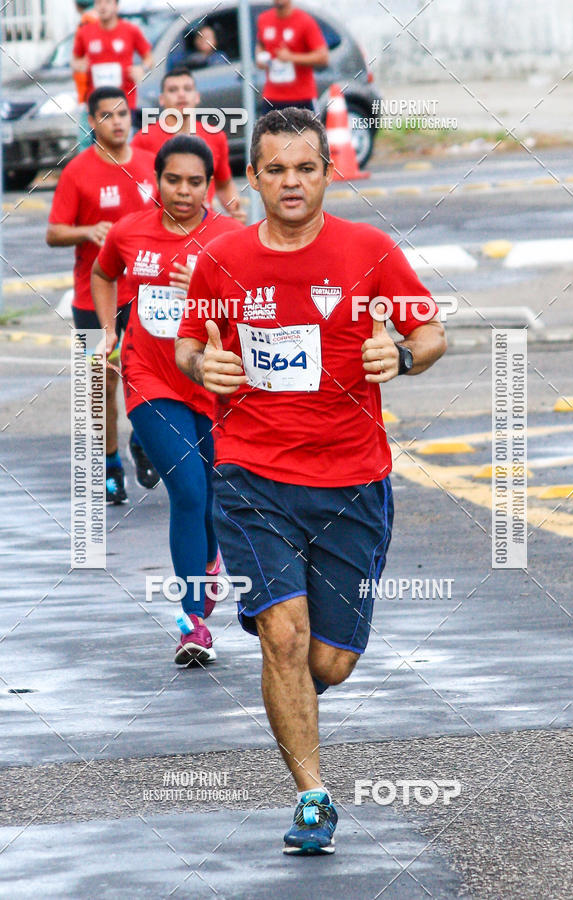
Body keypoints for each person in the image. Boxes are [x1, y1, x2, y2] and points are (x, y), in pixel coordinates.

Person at [176, 108, 447, 854]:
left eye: (305, 168)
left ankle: (284, 675)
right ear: (253, 177)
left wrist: (404, 354)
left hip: (353, 480)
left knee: (330, 660)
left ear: (328, 173)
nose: (291, 182)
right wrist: (204, 364)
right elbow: (186, 345)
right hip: (251, 473)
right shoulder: (221, 259)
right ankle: (312, 797)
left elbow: (431, 332)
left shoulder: (370, 249)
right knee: (286, 639)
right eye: (275, 169)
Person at [91, 135, 243, 662]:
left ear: (209, 185)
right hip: (149, 377)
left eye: (196, 182)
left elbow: (254, 305)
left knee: (211, 497)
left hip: (211, 381)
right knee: (187, 490)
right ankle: (193, 623)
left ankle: (207, 562)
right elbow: (102, 272)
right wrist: (109, 331)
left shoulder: (229, 236)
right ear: (155, 180)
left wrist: (204, 284)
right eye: (173, 179)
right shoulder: (130, 231)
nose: (183, 191)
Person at [47, 86, 160, 503]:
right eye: (107, 115)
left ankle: (144, 443)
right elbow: (54, 232)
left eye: (123, 113)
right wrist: (87, 231)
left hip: (147, 297)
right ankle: (110, 465)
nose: (118, 121)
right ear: (92, 122)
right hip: (92, 300)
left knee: (150, 383)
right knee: (101, 388)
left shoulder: (151, 167)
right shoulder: (77, 171)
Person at [132, 67, 245, 223]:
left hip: (204, 228)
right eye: (173, 90)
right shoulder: (144, 139)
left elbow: (223, 184)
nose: (181, 94)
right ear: (161, 99)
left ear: (197, 97)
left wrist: (234, 209)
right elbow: (134, 192)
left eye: (187, 89)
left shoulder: (215, 136)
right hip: (164, 228)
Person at [72, 0, 153, 112]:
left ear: (116, 6)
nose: (103, 6)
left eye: (108, 2)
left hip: (125, 100)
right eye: (99, 3)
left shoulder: (131, 30)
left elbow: (149, 58)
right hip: (96, 102)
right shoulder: (85, 32)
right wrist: (79, 65)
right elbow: (75, 60)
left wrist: (142, 68)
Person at [256, 0, 329, 115]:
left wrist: (291, 57)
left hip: (301, 97)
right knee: (267, 132)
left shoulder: (305, 21)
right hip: (272, 97)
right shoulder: (264, 19)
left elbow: (323, 57)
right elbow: (261, 44)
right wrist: (261, 58)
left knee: (305, 132)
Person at [73, 0, 98, 149]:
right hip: (92, 91)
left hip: (91, 92)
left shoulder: (88, 20)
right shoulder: (98, 18)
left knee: (86, 140)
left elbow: (84, 60)